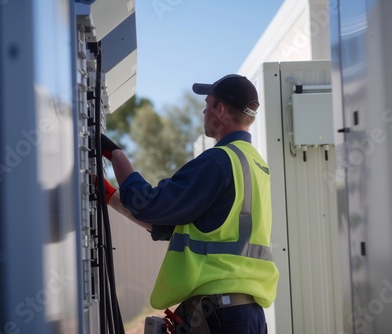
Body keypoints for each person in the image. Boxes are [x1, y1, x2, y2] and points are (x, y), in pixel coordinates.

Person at [101, 74, 279, 333]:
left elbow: (150, 205)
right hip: (246, 313)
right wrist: (110, 196)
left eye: (208, 104)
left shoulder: (219, 161)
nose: (204, 110)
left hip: (220, 314)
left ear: (220, 110)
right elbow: (166, 225)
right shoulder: (256, 164)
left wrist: (116, 155)